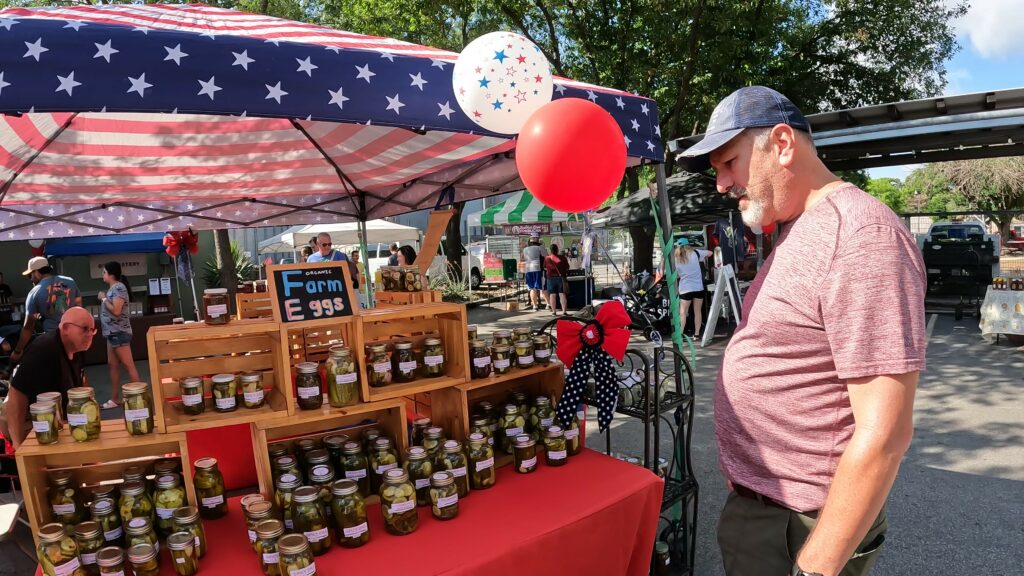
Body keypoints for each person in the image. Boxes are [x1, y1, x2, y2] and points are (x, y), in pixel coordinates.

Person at [680, 86, 925, 576]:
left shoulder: (862, 236)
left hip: (803, 526)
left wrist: (817, 564)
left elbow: (886, 433)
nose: (723, 184)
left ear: (784, 143)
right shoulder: (800, 225)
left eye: (729, 162)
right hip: (769, 509)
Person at [2, 307, 93, 450]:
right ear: (65, 328)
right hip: (30, 422)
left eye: (93, 330)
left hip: (56, 419)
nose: (90, 334)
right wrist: (19, 447)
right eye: (85, 329)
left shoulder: (77, 347)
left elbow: (82, 382)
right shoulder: (44, 350)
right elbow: (15, 396)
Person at [10, 257, 82, 365]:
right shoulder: (70, 282)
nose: (31, 279)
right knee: (77, 374)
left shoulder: (34, 293)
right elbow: (79, 309)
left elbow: (28, 327)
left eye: (31, 275)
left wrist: (17, 351)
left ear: (37, 272)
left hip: (53, 342)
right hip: (74, 339)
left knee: (55, 376)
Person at [98, 261, 141, 410]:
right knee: (113, 365)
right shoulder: (113, 288)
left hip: (119, 333)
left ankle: (139, 398)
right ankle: (115, 398)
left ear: (111, 274)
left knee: (129, 365)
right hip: (111, 333)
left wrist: (103, 299)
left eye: (104, 272)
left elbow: (116, 311)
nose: (102, 274)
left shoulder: (118, 288)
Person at [673, 238, 712, 337]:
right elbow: (710, 253)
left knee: (683, 312)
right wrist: (702, 259)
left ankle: (681, 333)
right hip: (698, 287)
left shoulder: (676, 258)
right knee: (697, 311)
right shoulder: (696, 253)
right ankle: (697, 334)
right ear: (688, 245)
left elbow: (677, 275)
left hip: (685, 288)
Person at [522, 232, 549, 310]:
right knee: (543, 288)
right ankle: (548, 304)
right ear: (537, 239)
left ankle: (535, 306)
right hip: (538, 269)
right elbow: (547, 257)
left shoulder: (525, 249)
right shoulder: (540, 247)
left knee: (532, 288)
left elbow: (523, 258)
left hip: (528, 270)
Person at [544, 244, 570, 315]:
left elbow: (545, 268)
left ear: (550, 250)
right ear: (557, 250)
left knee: (552, 295)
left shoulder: (547, 258)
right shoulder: (562, 257)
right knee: (562, 294)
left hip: (550, 278)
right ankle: (564, 311)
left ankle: (554, 312)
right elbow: (567, 267)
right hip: (561, 278)